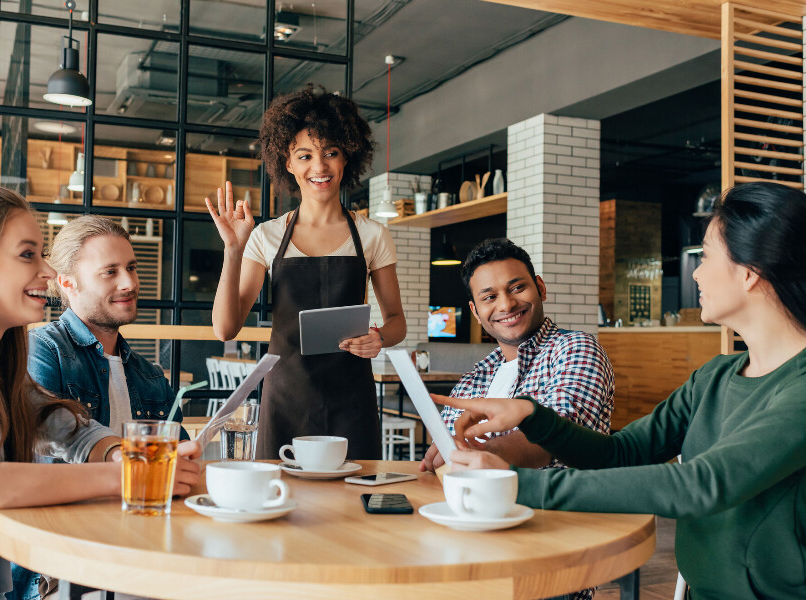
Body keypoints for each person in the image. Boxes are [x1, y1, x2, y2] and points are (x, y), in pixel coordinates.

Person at [446, 182, 806, 600]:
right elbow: (620, 453)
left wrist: (511, 485)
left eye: (706, 256)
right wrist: (531, 414)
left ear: (749, 273)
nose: (694, 271)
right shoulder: (715, 377)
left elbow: (701, 484)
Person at [0, 184, 201, 600]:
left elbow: (69, 429)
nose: (47, 272)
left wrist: (127, 455)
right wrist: (127, 476)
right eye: (29, 254)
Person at [208, 85, 406, 460]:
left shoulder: (372, 235)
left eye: (330, 153)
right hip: (286, 397)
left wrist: (379, 336)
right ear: (288, 162)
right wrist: (233, 250)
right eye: (305, 155)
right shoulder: (266, 236)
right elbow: (224, 329)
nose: (320, 167)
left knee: (352, 506)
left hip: (353, 398)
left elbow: (397, 321)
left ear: (346, 157)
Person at [421, 238, 614, 473]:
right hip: (472, 503)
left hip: (552, 507)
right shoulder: (475, 377)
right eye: (489, 297)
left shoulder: (576, 349)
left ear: (540, 288)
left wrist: (481, 455)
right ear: (475, 312)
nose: (506, 304)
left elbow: (562, 436)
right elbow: (446, 448)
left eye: (517, 288)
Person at [28, 215, 188, 439]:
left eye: (131, 268)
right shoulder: (43, 349)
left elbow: (176, 459)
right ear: (67, 283)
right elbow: (44, 442)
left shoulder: (151, 377)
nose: (130, 283)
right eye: (110, 272)